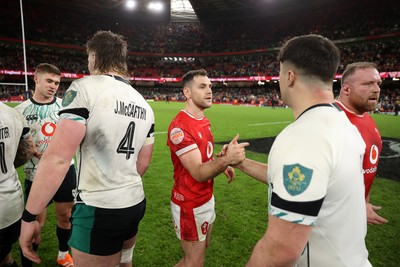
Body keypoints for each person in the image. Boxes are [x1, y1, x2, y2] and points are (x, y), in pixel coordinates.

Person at [230, 35, 370, 266]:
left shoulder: (304, 137)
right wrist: (242, 163)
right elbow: (303, 181)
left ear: (290, 76)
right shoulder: (344, 124)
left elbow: (281, 250)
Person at [19, 30, 155, 267]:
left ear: (93, 57)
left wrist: (30, 216)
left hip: (98, 209)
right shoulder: (143, 102)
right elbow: (142, 164)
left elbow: (58, 159)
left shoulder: (85, 88)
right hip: (134, 202)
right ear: (121, 60)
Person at [167, 69, 248, 267]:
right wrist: (226, 160)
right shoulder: (180, 127)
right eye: (202, 86)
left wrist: (220, 161)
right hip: (189, 203)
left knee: (200, 252)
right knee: (194, 261)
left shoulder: (203, 120)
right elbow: (198, 172)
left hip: (205, 198)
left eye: (210, 86)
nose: (210, 90)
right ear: (187, 93)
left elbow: (204, 158)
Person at [15, 63, 76, 267]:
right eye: (49, 81)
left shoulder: (65, 107)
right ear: (36, 79)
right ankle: (28, 262)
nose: (53, 86)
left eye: (57, 83)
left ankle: (63, 254)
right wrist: (29, 151)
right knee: (35, 222)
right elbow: (15, 150)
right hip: (36, 173)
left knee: (66, 215)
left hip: (65, 170)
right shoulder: (20, 111)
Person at [336, 62, 388, 225]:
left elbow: (364, 171)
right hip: (328, 226)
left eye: (378, 83)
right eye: (368, 83)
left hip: (353, 222)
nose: (376, 89)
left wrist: (363, 202)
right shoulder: (330, 120)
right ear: (346, 89)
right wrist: (353, 206)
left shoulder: (365, 116)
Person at [0, 102, 37, 267]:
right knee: (5, 257)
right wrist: (8, 167)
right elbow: (29, 150)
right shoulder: (12, 113)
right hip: (11, 204)